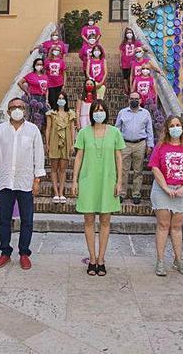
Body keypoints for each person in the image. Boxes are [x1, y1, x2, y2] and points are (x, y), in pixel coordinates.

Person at [0, 97, 46, 270]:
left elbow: (39, 157)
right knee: (4, 219)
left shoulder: (33, 130)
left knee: (27, 220)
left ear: (25, 109)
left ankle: (24, 253)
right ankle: (5, 252)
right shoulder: (0, 130)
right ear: (8, 111)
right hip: (5, 181)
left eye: (20, 107)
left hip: (25, 181)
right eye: (13, 107)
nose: (17, 110)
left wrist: (37, 180)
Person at [72, 100, 124, 276]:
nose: (99, 113)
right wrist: (74, 181)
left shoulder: (115, 132)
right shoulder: (84, 133)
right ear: (91, 113)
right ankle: (92, 258)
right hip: (88, 181)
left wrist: (119, 182)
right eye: (96, 110)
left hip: (107, 181)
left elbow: (119, 158)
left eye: (101, 110)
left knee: (105, 221)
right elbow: (79, 157)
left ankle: (101, 259)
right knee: (88, 220)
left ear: (107, 112)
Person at [149, 116, 183, 277]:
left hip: (182, 191)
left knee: (177, 227)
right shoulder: (160, 147)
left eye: (178, 125)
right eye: (172, 125)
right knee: (163, 225)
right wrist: (165, 187)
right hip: (162, 191)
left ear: (182, 128)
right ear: (167, 128)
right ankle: (160, 261)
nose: (175, 128)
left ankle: (178, 260)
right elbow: (155, 168)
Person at [114, 92, 154, 205]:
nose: (134, 100)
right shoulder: (122, 113)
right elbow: (117, 130)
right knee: (123, 170)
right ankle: (122, 193)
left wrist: (150, 145)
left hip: (140, 144)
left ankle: (136, 193)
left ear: (140, 100)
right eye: (132, 99)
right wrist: (116, 144)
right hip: (124, 144)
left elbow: (149, 130)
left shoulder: (146, 113)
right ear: (128, 100)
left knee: (138, 170)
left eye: (136, 99)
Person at [45, 92, 76, 203]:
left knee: (63, 169)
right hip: (54, 140)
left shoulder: (70, 113)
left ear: (66, 100)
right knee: (54, 168)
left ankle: (61, 193)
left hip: (66, 141)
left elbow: (73, 129)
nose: (61, 100)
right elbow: (48, 128)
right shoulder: (51, 113)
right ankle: (56, 193)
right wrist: (47, 144)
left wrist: (72, 143)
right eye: (59, 98)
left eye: (63, 98)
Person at [18, 58, 50, 122]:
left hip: (43, 98)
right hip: (34, 97)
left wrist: (46, 100)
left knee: (45, 114)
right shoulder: (30, 75)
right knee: (32, 115)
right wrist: (27, 92)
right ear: (34, 65)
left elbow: (47, 89)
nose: (39, 66)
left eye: (41, 64)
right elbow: (20, 83)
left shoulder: (45, 76)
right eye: (38, 64)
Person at [119, 28, 144, 94]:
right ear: (125, 34)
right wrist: (120, 62)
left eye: (130, 32)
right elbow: (121, 53)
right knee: (125, 77)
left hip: (133, 63)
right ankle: (126, 90)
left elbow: (141, 48)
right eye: (127, 33)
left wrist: (146, 49)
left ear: (132, 34)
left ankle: (132, 89)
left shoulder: (136, 42)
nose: (129, 34)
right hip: (125, 62)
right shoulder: (123, 43)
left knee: (132, 76)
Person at [44, 45, 67, 110]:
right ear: (51, 51)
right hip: (50, 84)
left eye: (58, 50)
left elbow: (64, 74)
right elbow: (44, 73)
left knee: (58, 100)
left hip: (59, 83)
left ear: (60, 52)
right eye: (55, 50)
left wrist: (64, 84)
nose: (56, 51)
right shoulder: (47, 61)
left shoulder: (61, 61)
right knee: (52, 99)